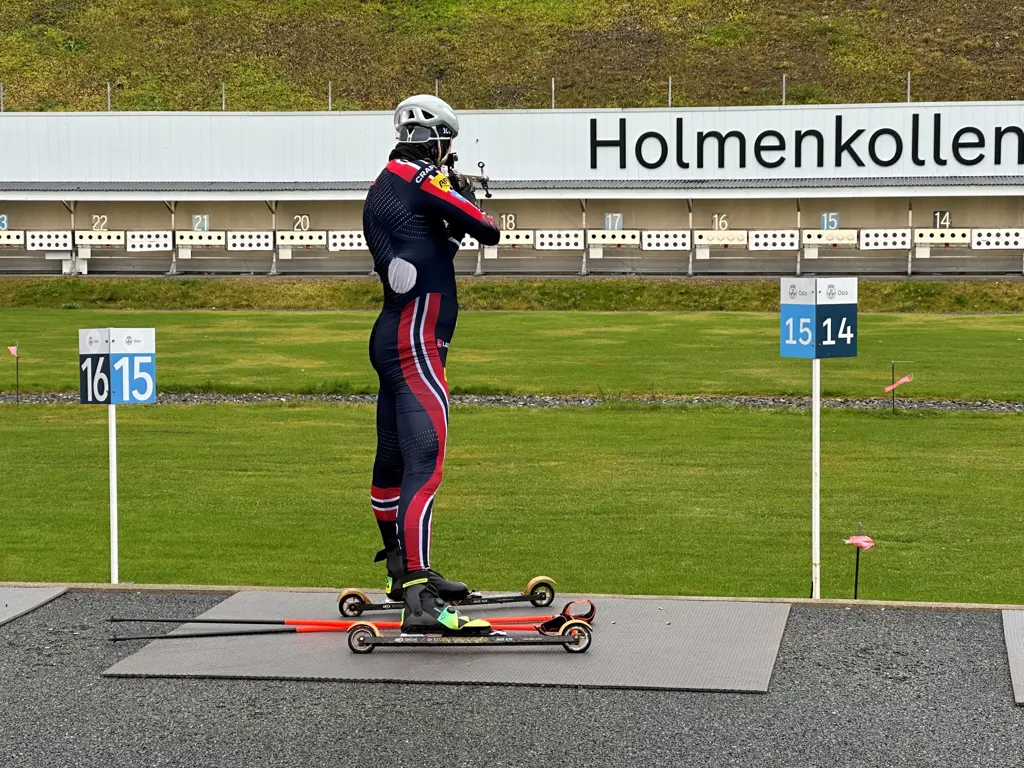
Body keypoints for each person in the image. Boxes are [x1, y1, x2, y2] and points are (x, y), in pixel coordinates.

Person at [363, 95, 501, 634]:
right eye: (449, 144)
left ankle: (402, 570)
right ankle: (419, 596)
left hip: (392, 331)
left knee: (393, 460)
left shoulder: (385, 182)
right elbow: (486, 228)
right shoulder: (423, 178)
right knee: (427, 463)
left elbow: (430, 245)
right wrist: (465, 196)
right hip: (418, 339)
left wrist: (452, 221)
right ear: (438, 138)